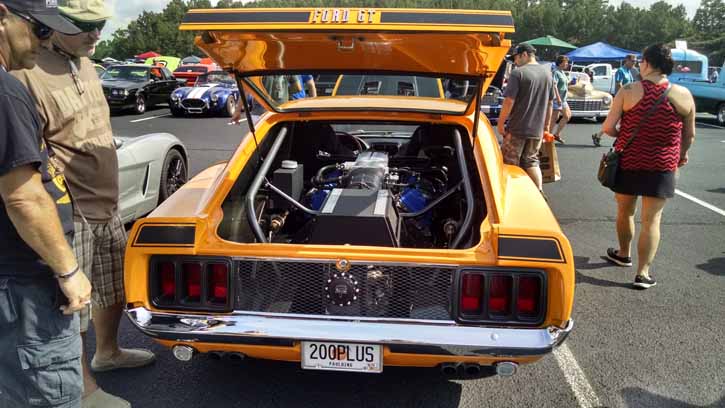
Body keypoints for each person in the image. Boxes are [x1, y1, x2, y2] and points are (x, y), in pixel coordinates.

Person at [12, 1, 155, 406]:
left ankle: (108, 352)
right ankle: (83, 388)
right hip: (70, 209)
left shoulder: (88, 62)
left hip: (108, 201)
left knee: (113, 288)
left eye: (100, 26)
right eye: (85, 27)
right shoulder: (26, 70)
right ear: (53, 26)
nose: (96, 36)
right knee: (72, 303)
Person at [0, 1, 92, 407]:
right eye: (39, 29)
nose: (47, 39)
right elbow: (23, 195)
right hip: (26, 289)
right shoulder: (6, 93)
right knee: (46, 395)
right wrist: (68, 270)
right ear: (3, 17)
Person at [599, 44, 696, 289]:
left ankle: (623, 253)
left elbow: (608, 128)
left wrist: (626, 134)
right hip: (663, 165)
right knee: (652, 220)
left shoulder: (628, 90)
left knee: (625, 211)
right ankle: (643, 273)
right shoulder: (684, 94)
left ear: (647, 63)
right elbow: (689, 135)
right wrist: (681, 155)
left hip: (629, 161)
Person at [497, 43, 555, 192]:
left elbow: (509, 101)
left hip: (517, 128)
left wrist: (501, 123)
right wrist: (546, 127)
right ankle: (539, 193)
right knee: (532, 161)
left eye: (516, 58)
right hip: (536, 130)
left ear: (524, 55)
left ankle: (510, 194)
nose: (515, 62)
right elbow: (550, 104)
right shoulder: (548, 74)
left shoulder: (518, 73)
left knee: (509, 162)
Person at [593, 54, 639, 146]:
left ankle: (599, 135)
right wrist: (626, 95)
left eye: (635, 61)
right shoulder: (621, 71)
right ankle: (599, 135)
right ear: (627, 60)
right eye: (633, 61)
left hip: (628, 100)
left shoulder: (629, 71)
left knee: (622, 120)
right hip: (621, 99)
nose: (634, 63)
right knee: (616, 120)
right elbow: (619, 84)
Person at [549, 55, 572, 144]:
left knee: (567, 116)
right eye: (566, 62)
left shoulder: (562, 72)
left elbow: (564, 84)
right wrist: (558, 98)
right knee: (554, 118)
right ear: (561, 63)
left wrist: (571, 83)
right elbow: (554, 85)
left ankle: (556, 134)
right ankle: (548, 136)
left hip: (563, 99)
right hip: (557, 99)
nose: (567, 64)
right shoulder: (556, 72)